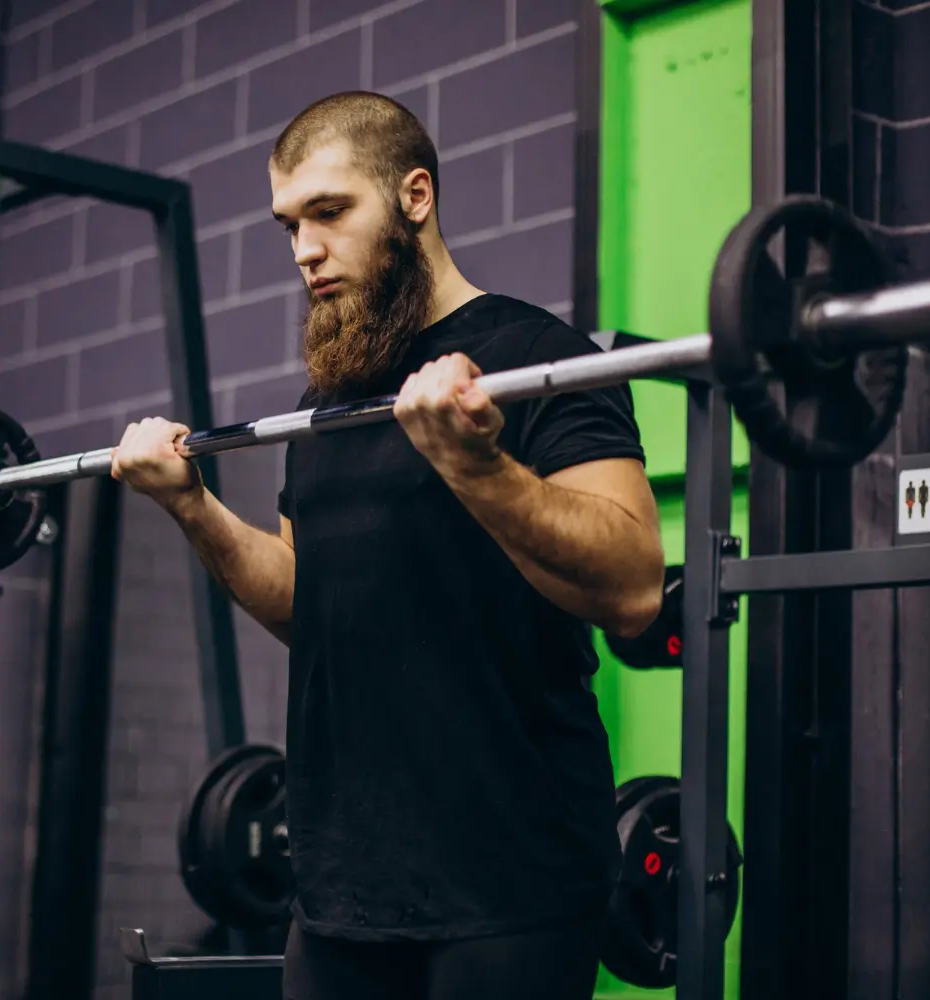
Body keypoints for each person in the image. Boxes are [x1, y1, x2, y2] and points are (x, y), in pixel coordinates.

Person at [111, 91, 665, 1000]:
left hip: (513, 882)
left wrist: (474, 465)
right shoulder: (326, 404)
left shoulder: (537, 355)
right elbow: (307, 604)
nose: (304, 249)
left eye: (329, 211)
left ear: (415, 196)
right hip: (340, 889)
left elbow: (635, 588)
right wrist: (192, 506)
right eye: (289, 225)